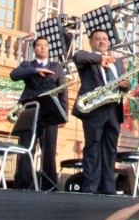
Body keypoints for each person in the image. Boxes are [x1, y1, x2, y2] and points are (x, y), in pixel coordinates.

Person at [72, 29, 128, 194]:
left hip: (113, 109)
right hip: (94, 110)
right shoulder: (88, 59)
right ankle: (91, 187)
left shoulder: (117, 62)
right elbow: (77, 57)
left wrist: (126, 85)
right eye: (98, 39)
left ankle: (108, 187)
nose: (102, 42)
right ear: (91, 42)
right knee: (93, 147)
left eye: (104, 39)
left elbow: (125, 84)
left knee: (111, 149)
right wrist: (99, 59)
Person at [9, 36, 67, 189]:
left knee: (49, 149)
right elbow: (14, 75)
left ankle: (49, 184)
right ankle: (24, 183)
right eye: (39, 45)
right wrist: (35, 71)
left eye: (45, 45)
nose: (42, 48)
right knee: (26, 147)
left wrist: (63, 115)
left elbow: (63, 91)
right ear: (34, 49)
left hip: (50, 113)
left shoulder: (56, 66)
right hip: (30, 111)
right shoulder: (27, 65)